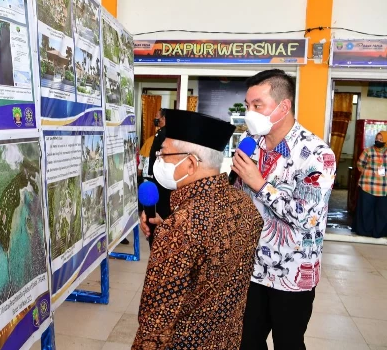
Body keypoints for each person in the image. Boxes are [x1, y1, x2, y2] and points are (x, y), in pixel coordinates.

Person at [133, 110, 264, 350]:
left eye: (164, 153)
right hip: (227, 339)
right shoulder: (245, 204)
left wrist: (170, 237)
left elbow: (156, 322)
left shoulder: (181, 227)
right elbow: (212, 254)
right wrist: (170, 233)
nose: (158, 158)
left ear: (191, 163)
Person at [231, 69, 336, 350]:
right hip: (250, 268)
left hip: (292, 273)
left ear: (283, 106)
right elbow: (237, 200)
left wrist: (260, 184)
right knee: (246, 341)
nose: (249, 113)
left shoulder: (317, 154)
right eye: (247, 105)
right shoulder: (251, 147)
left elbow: (307, 216)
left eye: (257, 105)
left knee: (288, 342)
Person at [143, 108, 171, 248]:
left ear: (164, 118)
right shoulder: (160, 132)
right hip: (156, 175)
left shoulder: (165, 133)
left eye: (157, 118)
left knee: (161, 208)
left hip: (162, 179)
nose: (156, 120)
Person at [353, 130, 387, 238]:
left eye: (381, 139)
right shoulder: (368, 151)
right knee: (366, 211)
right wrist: (368, 173)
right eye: (377, 138)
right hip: (368, 186)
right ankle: (365, 232)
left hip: (384, 188)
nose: (378, 140)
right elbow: (360, 164)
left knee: (382, 212)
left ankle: (378, 233)